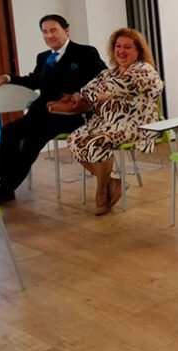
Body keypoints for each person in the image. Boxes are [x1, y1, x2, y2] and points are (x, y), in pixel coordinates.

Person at [0, 14, 106, 203]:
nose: (49, 36)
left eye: (53, 30)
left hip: (73, 114)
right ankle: (4, 182)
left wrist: (80, 93)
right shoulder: (44, 57)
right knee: (9, 131)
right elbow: (34, 80)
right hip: (43, 112)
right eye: (45, 32)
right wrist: (8, 78)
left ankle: (6, 187)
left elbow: (103, 78)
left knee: (34, 137)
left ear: (66, 31)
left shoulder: (85, 52)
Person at [54, 28, 163, 216]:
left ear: (138, 50)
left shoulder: (144, 70)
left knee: (97, 142)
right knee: (74, 140)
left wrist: (97, 94)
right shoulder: (108, 73)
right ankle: (111, 182)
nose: (121, 51)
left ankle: (101, 193)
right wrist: (92, 95)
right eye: (118, 46)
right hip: (104, 122)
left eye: (127, 47)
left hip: (133, 123)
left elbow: (115, 88)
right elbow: (86, 91)